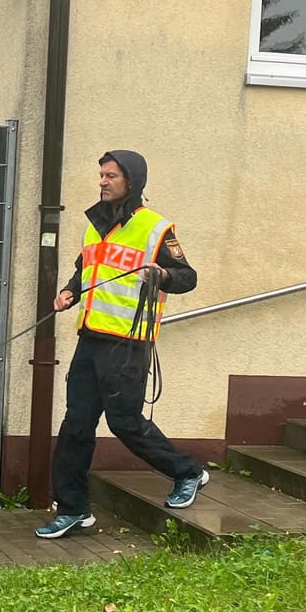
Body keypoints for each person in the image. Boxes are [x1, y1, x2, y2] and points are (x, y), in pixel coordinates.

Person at [39, 150, 207, 538]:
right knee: (75, 426)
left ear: (131, 181)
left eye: (111, 175)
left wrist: (161, 272)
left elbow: (187, 277)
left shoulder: (154, 229)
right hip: (90, 339)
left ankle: (189, 472)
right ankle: (74, 509)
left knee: (124, 423)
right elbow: (86, 270)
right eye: (100, 174)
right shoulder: (94, 225)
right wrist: (69, 292)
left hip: (128, 344)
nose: (102, 181)